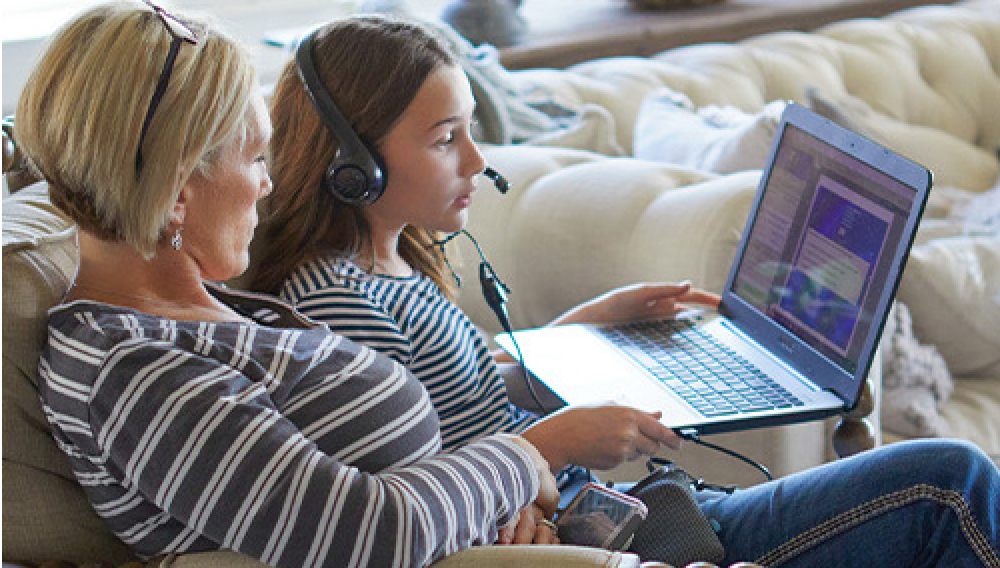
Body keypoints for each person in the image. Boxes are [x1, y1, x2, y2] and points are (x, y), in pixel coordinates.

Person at [253, 14, 1000, 566]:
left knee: (950, 485)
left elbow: (454, 408)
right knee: (950, 484)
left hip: (635, 513)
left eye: (470, 130)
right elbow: (416, 503)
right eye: (446, 139)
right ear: (353, 164)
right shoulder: (337, 306)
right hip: (625, 543)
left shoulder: (393, 264)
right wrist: (559, 442)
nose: (477, 159)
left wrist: (587, 329)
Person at [18, 4, 561, 568]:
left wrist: (491, 507)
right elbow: (372, 537)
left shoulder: (182, 305)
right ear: (179, 193)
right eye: (256, 157)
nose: (268, 183)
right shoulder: (132, 371)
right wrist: (516, 462)